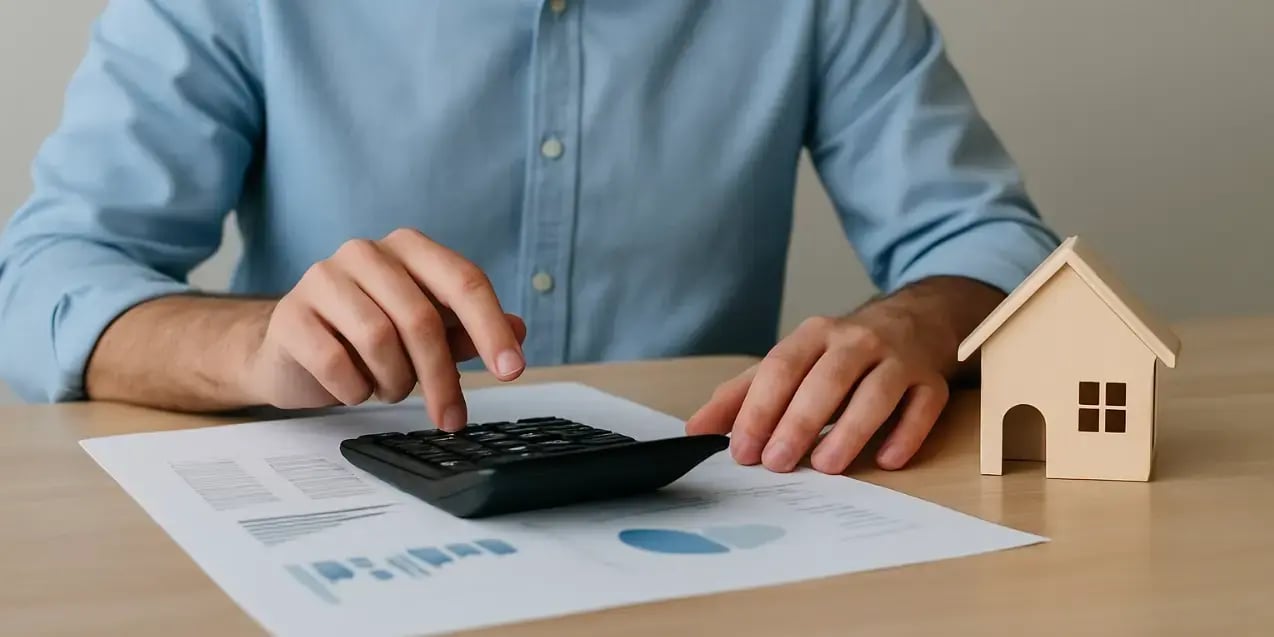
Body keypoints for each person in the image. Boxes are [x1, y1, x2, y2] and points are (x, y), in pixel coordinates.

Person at [0, 1, 1058, 476]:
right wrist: (258, 346)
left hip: (706, 525)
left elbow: (989, 242)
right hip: (335, 518)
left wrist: (914, 321)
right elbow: (43, 281)